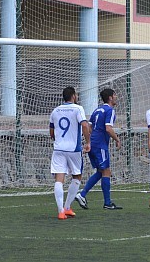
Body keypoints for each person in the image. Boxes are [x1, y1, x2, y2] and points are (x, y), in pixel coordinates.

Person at [74, 88, 123, 210]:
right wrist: (117, 139)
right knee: (106, 171)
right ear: (111, 98)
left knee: (101, 171)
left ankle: (84, 195)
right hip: (100, 145)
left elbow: (90, 127)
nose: (116, 97)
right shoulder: (109, 110)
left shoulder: (97, 110)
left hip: (93, 143)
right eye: (115, 95)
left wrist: (90, 141)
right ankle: (104, 202)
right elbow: (108, 128)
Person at [49, 86, 91, 220]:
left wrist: (59, 141)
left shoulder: (55, 111)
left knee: (59, 178)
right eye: (76, 94)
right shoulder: (78, 108)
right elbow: (84, 125)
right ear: (73, 96)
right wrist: (88, 142)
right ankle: (67, 207)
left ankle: (61, 211)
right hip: (74, 149)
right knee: (77, 176)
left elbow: (51, 131)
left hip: (59, 149)